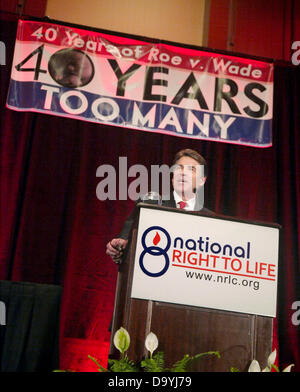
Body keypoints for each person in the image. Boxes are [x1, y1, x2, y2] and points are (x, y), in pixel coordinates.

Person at [106, 148, 214, 264]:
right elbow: (124, 242)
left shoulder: (211, 220)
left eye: (191, 169)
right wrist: (117, 247)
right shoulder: (148, 204)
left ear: (202, 181)